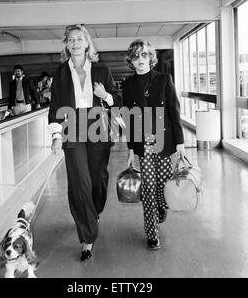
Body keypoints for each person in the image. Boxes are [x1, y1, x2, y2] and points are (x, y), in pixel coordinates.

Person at [48, 24, 121, 261]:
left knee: (97, 179)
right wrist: (57, 136)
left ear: (87, 43)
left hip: (97, 124)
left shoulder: (101, 70)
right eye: (71, 40)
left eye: (80, 39)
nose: (76, 43)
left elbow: (116, 101)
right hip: (72, 125)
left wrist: (105, 96)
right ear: (66, 44)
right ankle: (87, 237)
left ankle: (94, 211)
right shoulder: (60, 73)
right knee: (79, 181)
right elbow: (55, 107)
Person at [122, 39, 185, 250]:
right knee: (148, 187)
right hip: (144, 142)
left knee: (163, 184)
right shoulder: (128, 85)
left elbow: (174, 112)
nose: (140, 59)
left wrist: (180, 142)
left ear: (151, 58)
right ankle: (152, 233)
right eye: (136, 56)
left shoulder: (164, 79)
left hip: (164, 139)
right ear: (131, 60)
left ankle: (161, 206)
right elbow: (129, 118)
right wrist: (131, 148)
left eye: (144, 55)